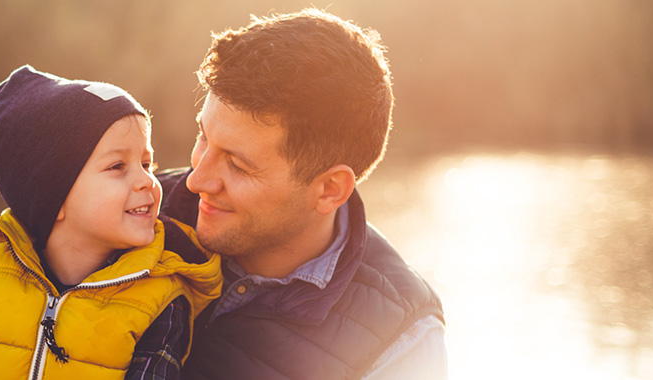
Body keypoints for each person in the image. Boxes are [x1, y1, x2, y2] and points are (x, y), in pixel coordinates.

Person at [156, 9, 447, 380]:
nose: (197, 181)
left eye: (237, 164)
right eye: (204, 137)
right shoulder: (128, 210)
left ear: (329, 189)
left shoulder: (401, 341)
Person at [0, 65, 223, 380]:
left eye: (146, 163)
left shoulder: (163, 304)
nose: (147, 180)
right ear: (54, 197)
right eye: (118, 166)